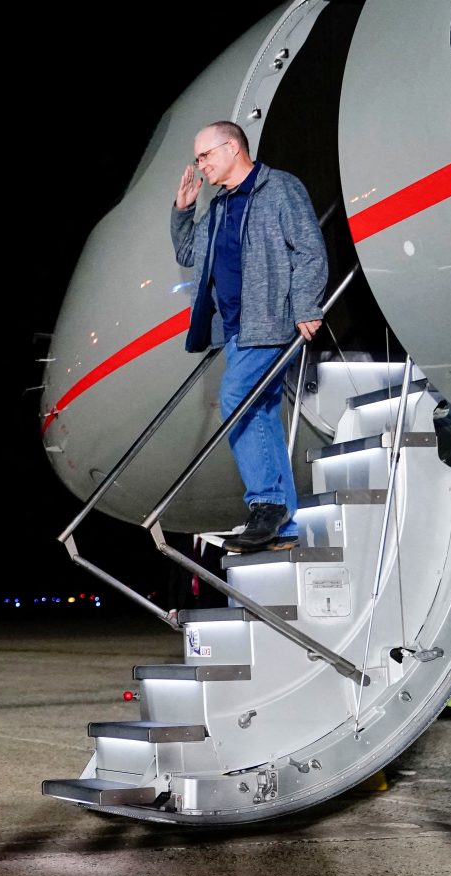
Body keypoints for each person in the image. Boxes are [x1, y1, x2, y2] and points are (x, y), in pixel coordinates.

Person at [170, 120, 328, 552]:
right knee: (259, 415)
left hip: (271, 322)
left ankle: (267, 504)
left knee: (236, 396)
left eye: (205, 155)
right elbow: (189, 254)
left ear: (233, 147)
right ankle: (285, 525)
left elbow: (309, 248)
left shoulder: (279, 189)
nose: (200, 166)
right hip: (236, 330)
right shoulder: (219, 206)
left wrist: (307, 305)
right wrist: (183, 211)